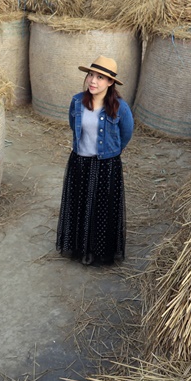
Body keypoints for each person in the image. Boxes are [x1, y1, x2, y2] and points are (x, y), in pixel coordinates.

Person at [56, 55, 134, 266]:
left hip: (106, 164)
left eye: (100, 77)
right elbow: (74, 125)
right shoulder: (77, 102)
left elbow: (126, 132)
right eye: (91, 75)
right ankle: (78, 248)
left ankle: (97, 251)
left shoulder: (119, 107)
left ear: (110, 83)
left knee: (101, 209)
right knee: (79, 204)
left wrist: (113, 151)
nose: (93, 81)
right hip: (80, 160)